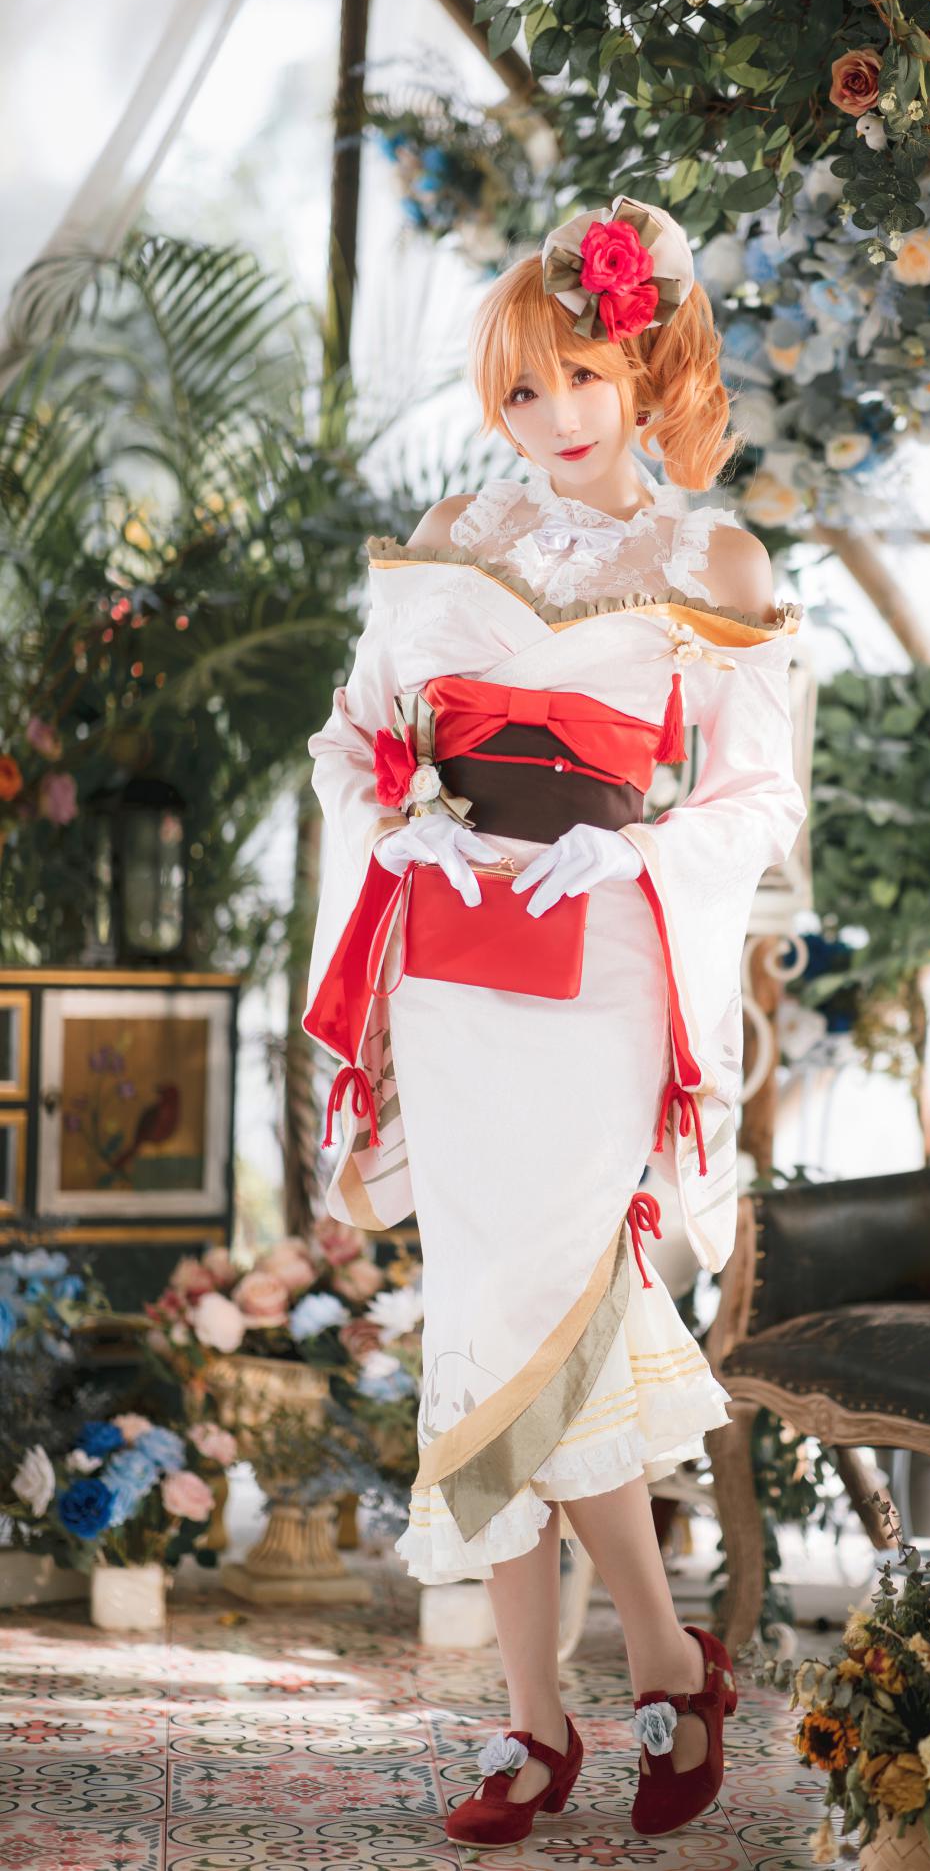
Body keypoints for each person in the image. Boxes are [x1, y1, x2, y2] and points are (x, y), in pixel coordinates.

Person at [300, 193, 806, 1844]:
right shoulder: (455, 530)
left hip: (602, 976)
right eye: (523, 389)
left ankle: (642, 1668)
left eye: (582, 375)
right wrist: (401, 825)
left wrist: (636, 852)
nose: (557, 415)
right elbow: (353, 735)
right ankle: (552, 1711)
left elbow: (760, 796)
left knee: (552, 1310)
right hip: (453, 973)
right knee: (478, 1324)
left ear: (642, 362)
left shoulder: (711, 563)